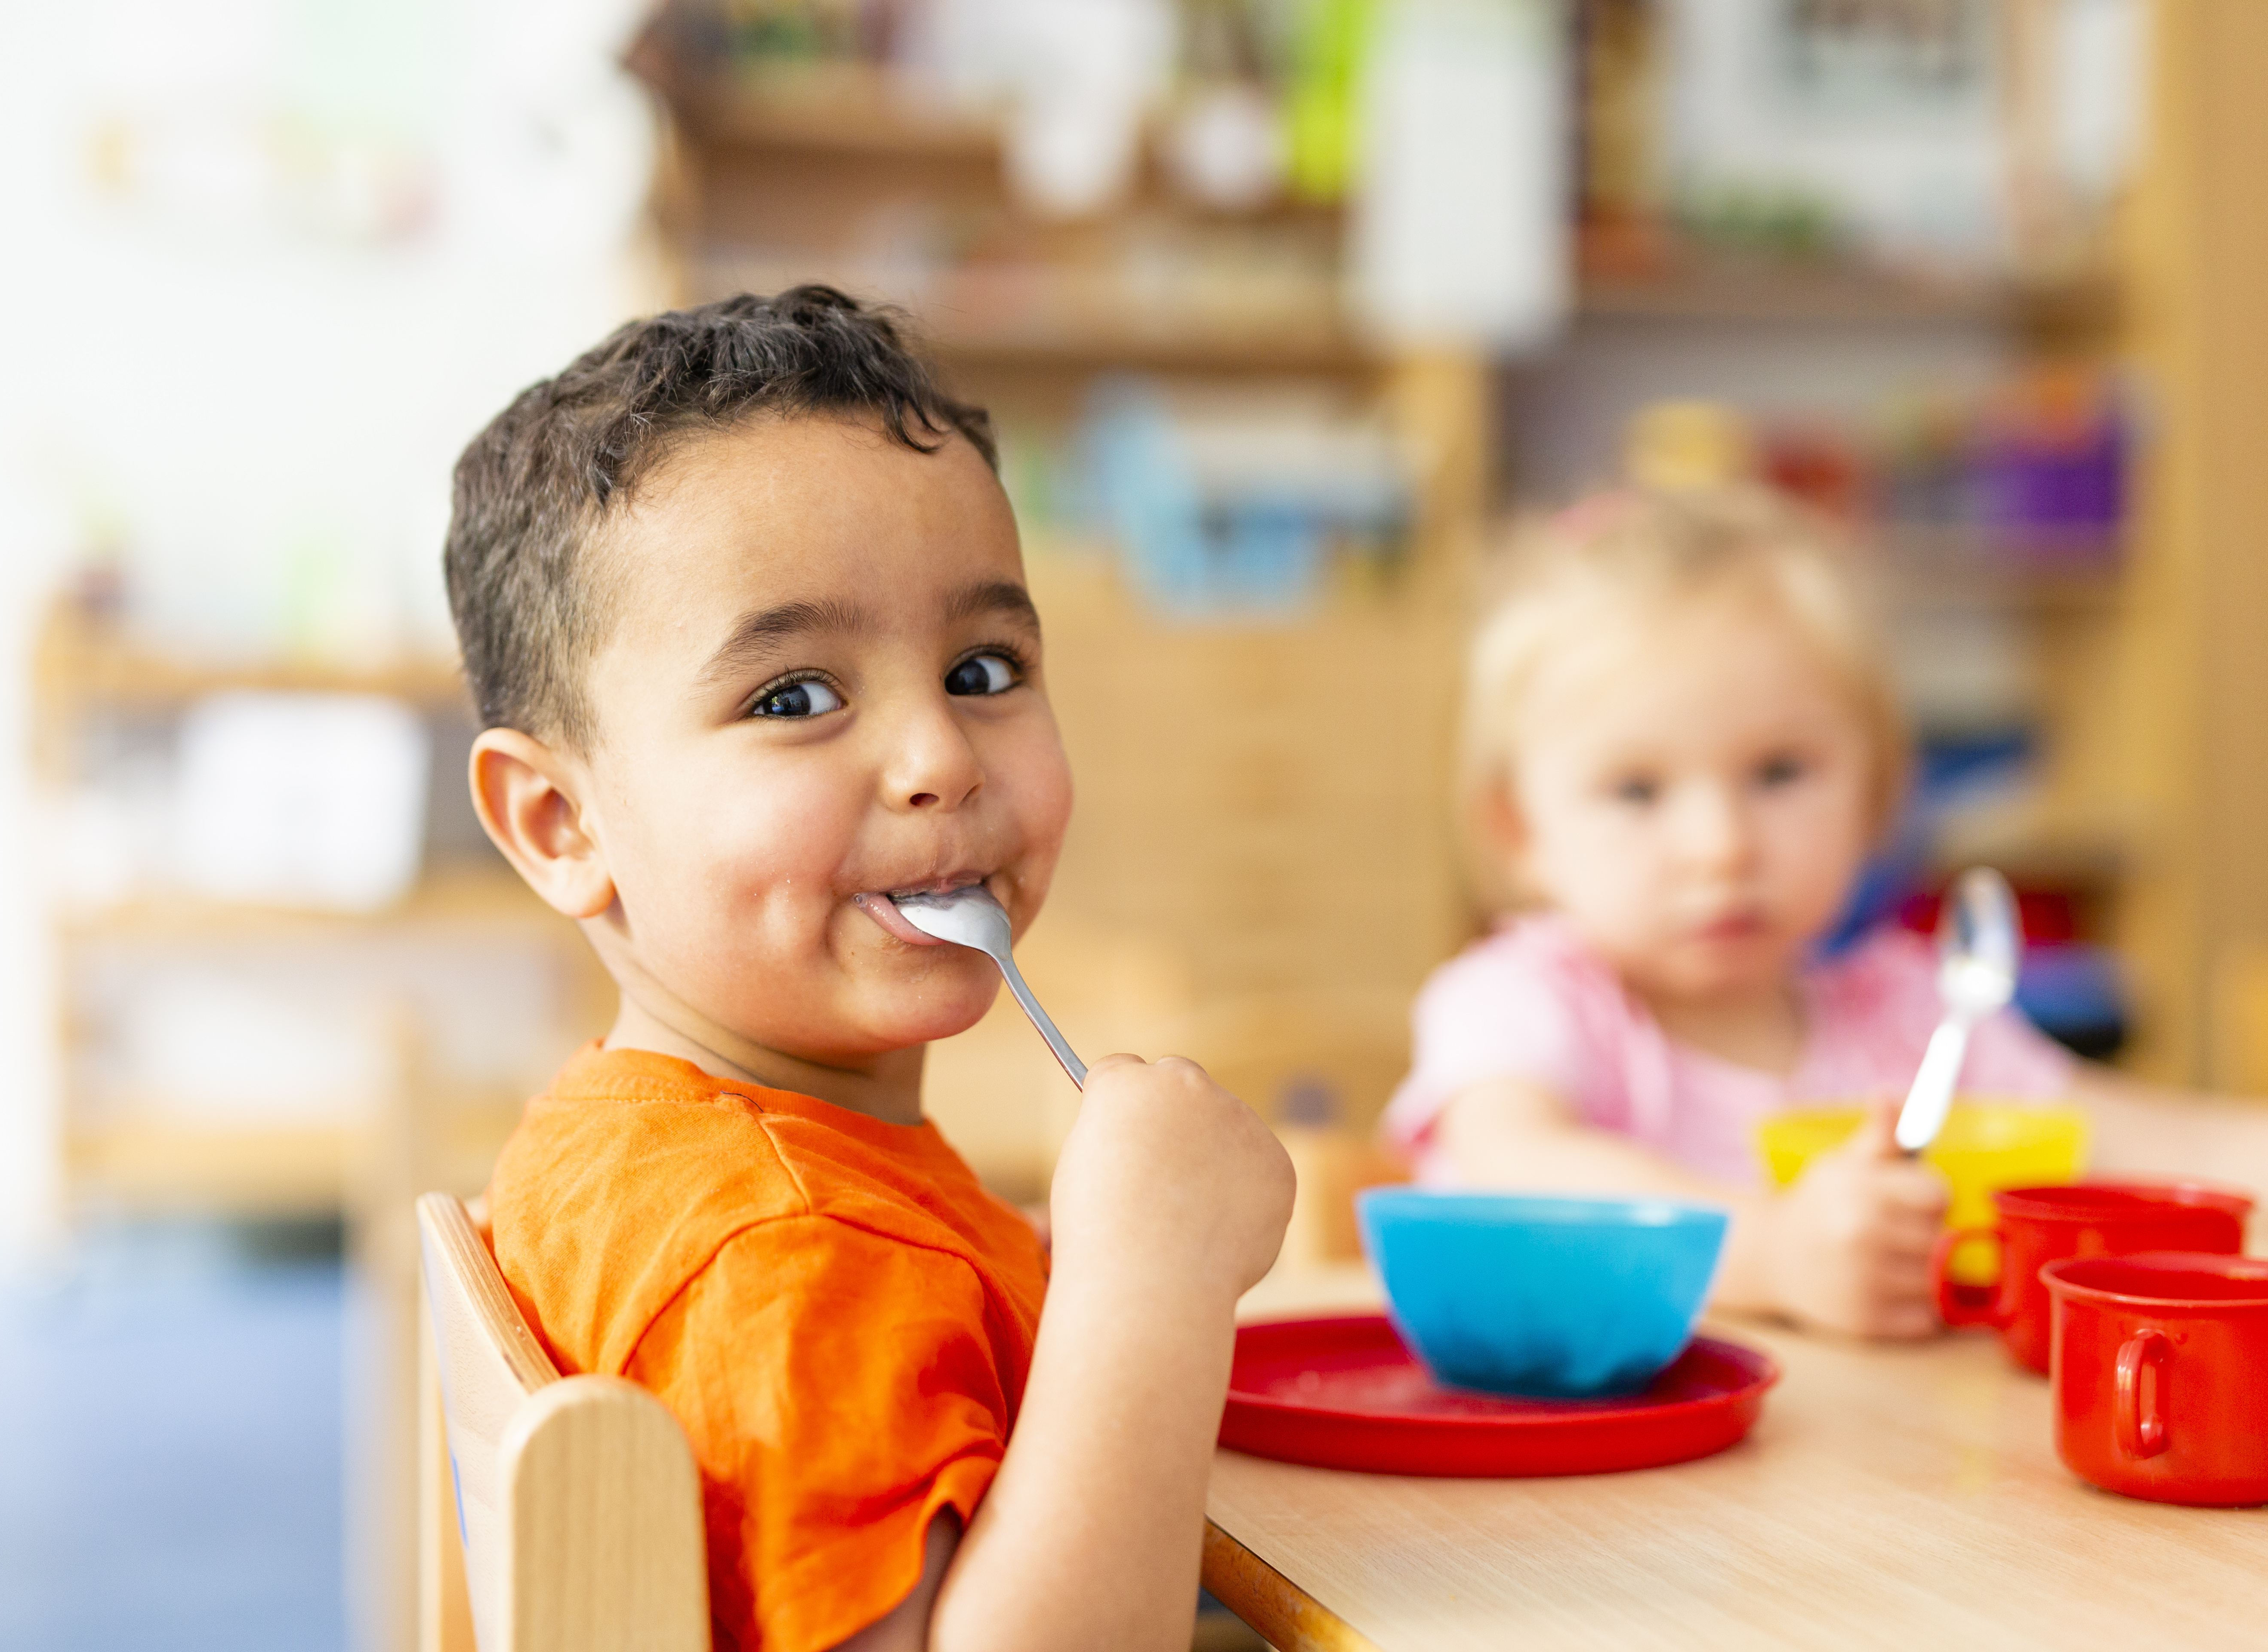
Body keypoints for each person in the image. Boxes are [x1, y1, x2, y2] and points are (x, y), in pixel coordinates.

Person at [444, 287, 1294, 1652]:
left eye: (982, 666)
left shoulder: (664, 1142)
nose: (942, 758)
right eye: (793, 697)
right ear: (564, 823)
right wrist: (1151, 1288)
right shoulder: (790, 1251)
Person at [1381, 484, 2089, 1340]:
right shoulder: (1519, 1002)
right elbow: (1516, 1165)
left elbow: (2100, 1132)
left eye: (1779, 772)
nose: (1721, 845)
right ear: (1521, 830)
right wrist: (1773, 1252)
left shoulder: (1911, 1014)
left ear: (1878, 791)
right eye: (1637, 789)